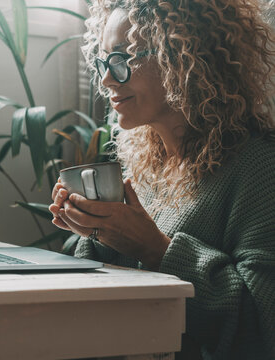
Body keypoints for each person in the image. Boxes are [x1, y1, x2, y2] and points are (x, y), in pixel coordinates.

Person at [49, 0, 275, 359]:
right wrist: (91, 229)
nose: (107, 78)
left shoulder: (258, 167)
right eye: (105, 60)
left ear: (185, 57)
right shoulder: (144, 164)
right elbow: (116, 285)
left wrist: (155, 248)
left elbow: (263, 323)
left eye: (125, 57)